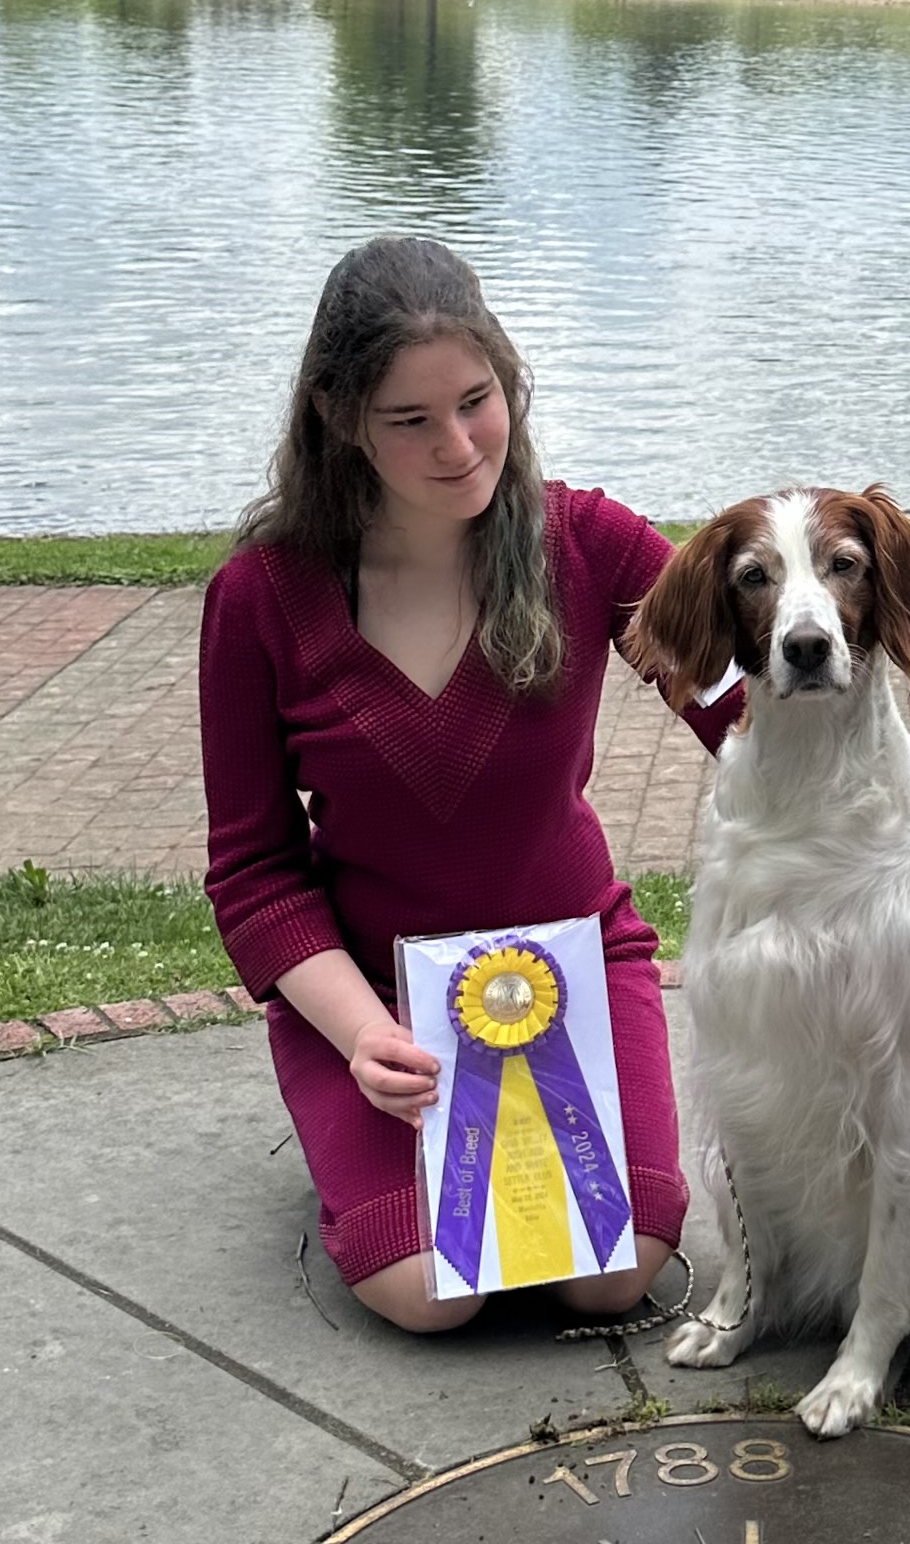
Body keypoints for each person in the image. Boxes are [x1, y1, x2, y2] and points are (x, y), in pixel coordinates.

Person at [198, 235, 741, 1333]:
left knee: (617, 1272)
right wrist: (361, 1034)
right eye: (410, 420)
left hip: (577, 970)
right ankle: (357, 1142)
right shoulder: (259, 598)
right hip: (375, 1001)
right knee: (432, 1295)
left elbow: (747, 715)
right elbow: (253, 872)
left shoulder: (590, 545)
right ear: (339, 419)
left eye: (476, 401)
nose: (457, 447)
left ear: (508, 380)